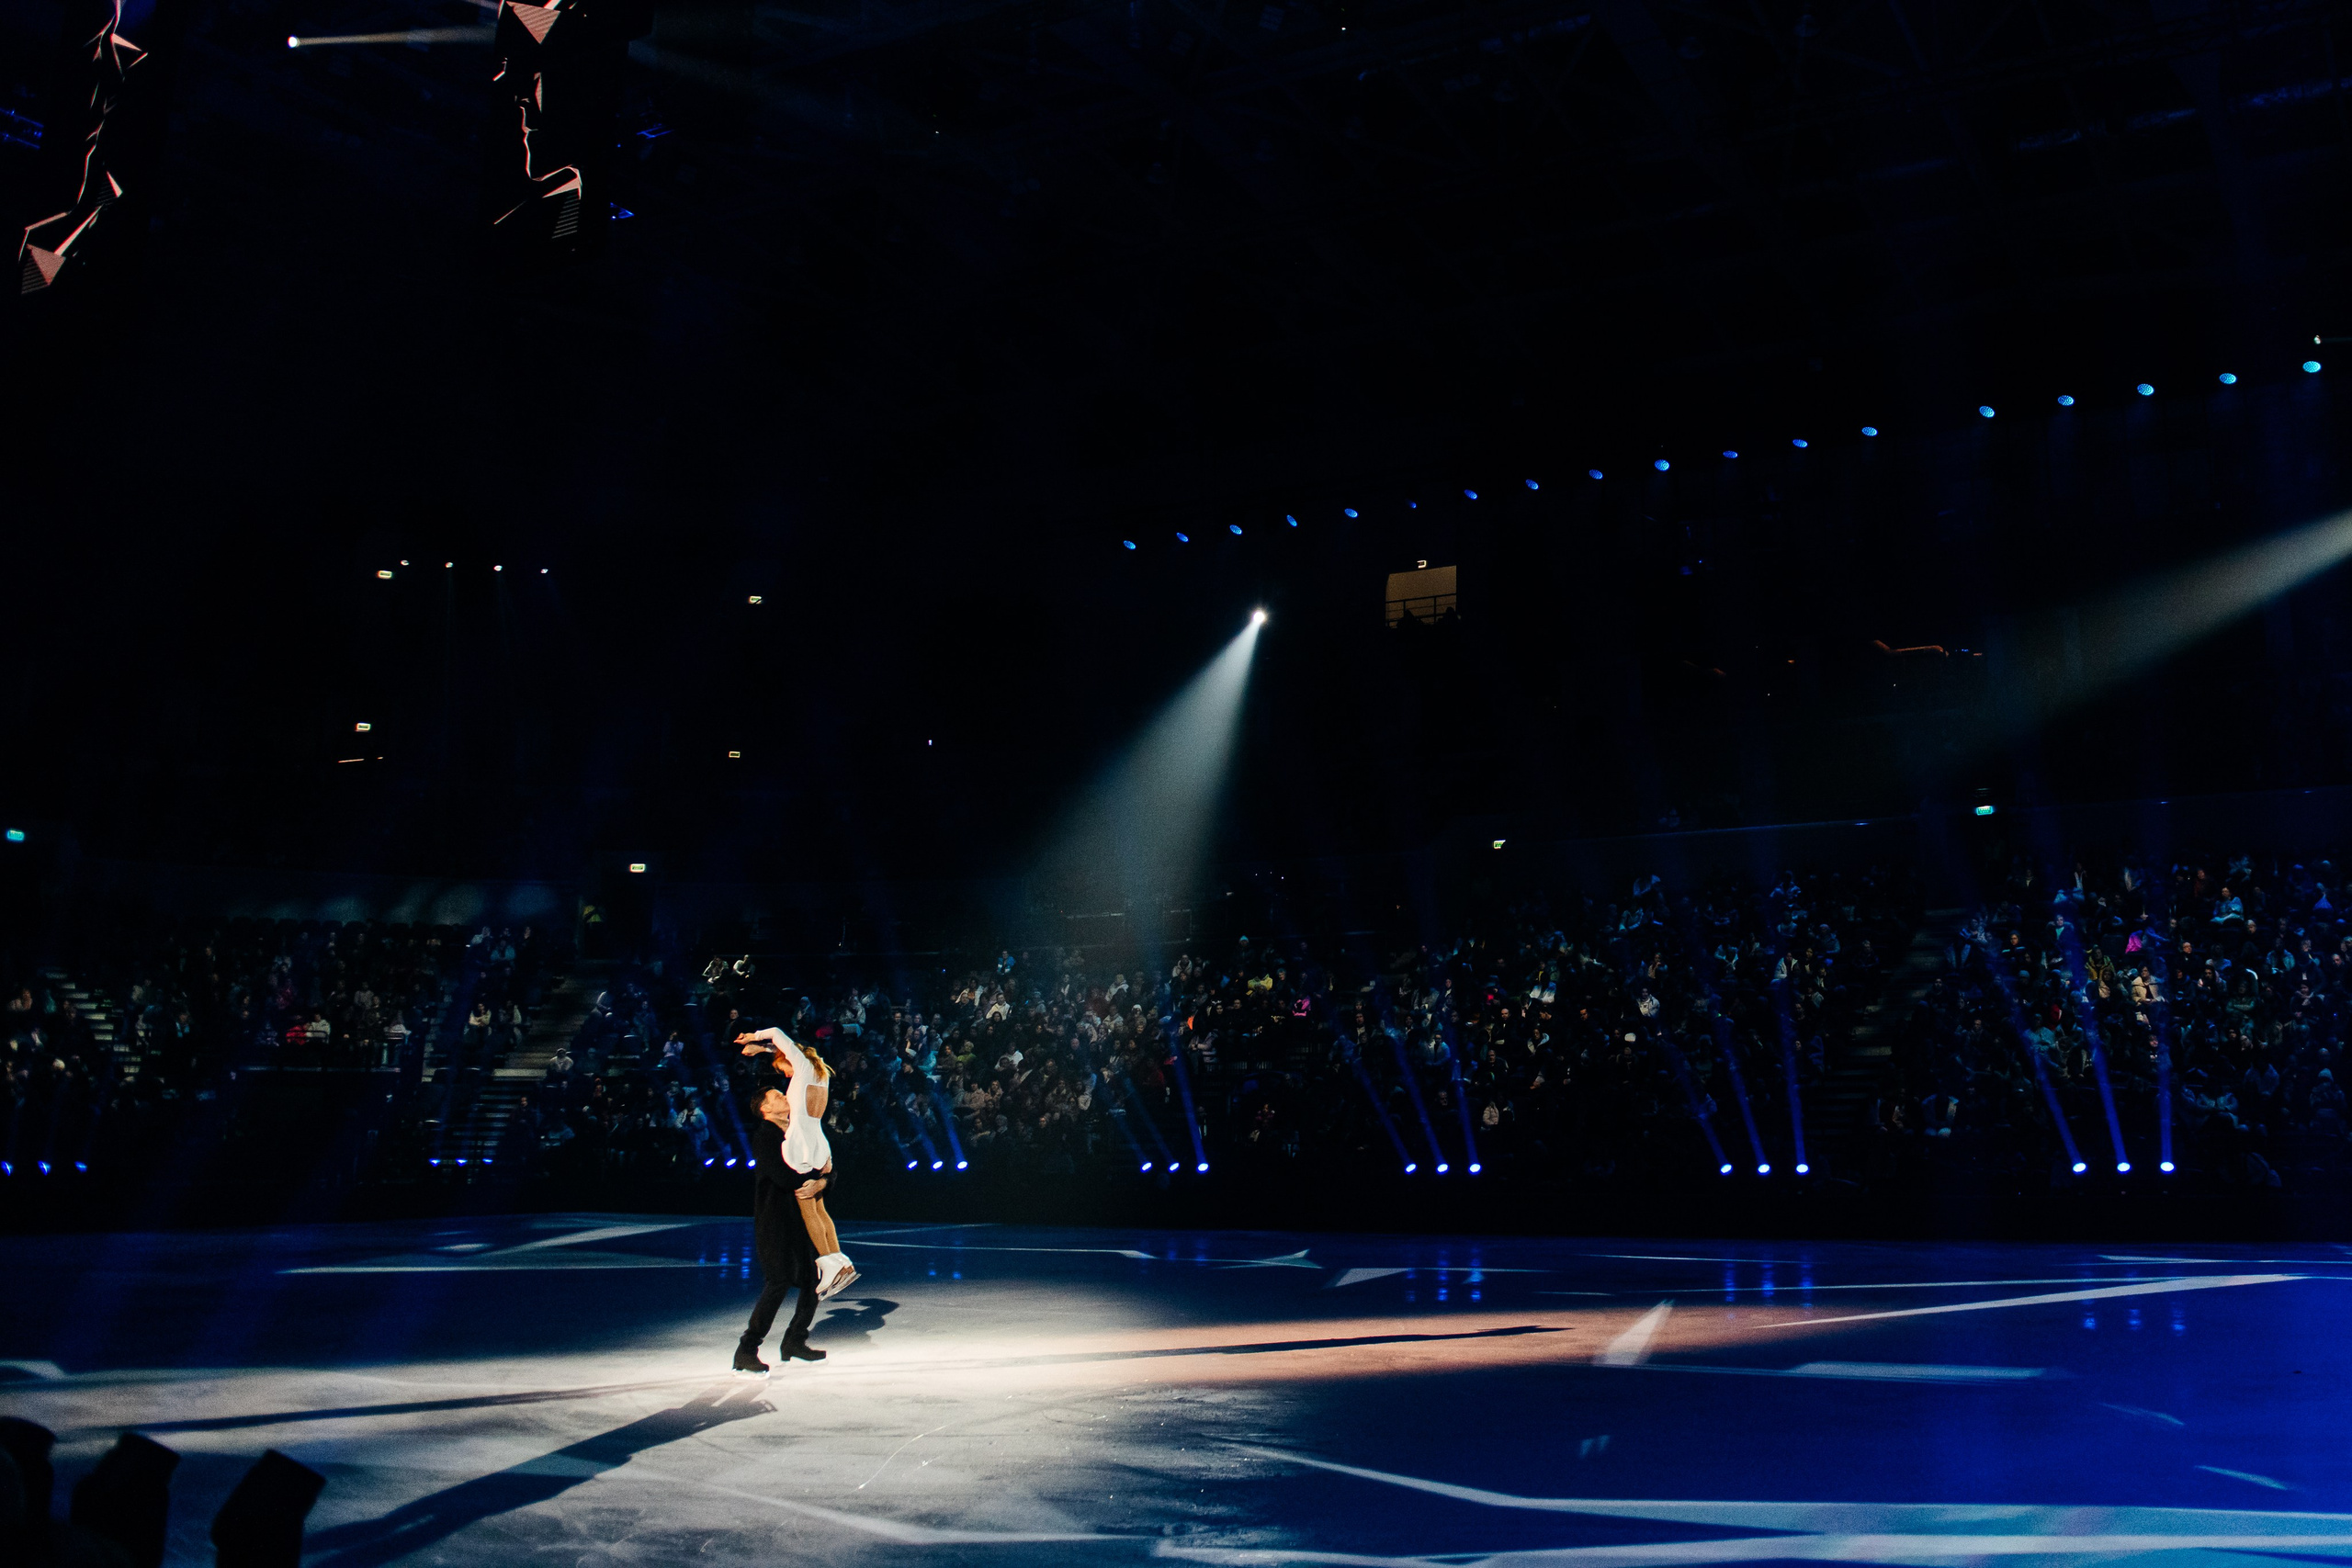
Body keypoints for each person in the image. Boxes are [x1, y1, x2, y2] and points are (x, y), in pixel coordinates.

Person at [738, 1027, 856, 1298]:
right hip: (818, 1142)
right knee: (820, 1207)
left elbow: (778, 1034)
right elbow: (787, 1051)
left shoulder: (801, 1069)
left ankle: (828, 1264)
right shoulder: (820, 1072)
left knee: (807, 1205)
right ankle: (840, 1261)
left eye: (783, 1070)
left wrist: (755, 1037)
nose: (785, 1075)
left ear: (791, 1060)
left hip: (800, 1143)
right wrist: (765, 1050)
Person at [734, 1087, 831, 1375]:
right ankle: (747, 1348)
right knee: (779, 1281)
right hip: (775, 1219)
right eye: (776, 1096)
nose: (784, 1097)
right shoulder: (766, 1136)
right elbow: (784, 1176)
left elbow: (828, 1166)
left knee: (814, 1279)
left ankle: (794, 1341)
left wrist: (822, 1182)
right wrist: (816, 1177)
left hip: (804, 1219)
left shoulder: (802, 1131)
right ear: (765, 1108)